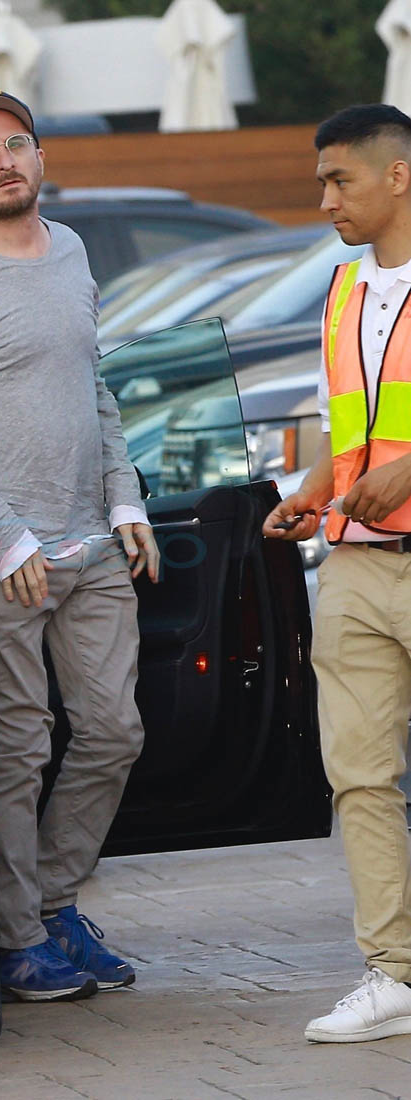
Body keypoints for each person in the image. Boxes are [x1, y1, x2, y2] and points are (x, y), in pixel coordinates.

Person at [0, 88, 159, 1003]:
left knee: (115, 732)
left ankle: (51, 901)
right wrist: (2, 536)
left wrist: (124, 497)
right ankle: (17, 939)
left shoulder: (72, 253)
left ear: (40, 158)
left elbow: (95, 387)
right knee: (19, 748)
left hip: (91, 546)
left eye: (16, 143)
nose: (3, 161)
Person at [263, 103, 411, 1043]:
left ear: (397, 176)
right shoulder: (342, 287)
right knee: (356, 775)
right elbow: (344, 424)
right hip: (354, 564)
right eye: (320, 182)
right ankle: (393, 974)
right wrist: (312, 491)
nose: (324, 200)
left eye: (338, 180)